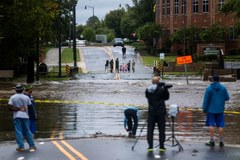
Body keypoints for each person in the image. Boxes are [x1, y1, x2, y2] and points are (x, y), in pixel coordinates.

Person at [8, 84, 37, 152]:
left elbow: (9, 107)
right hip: (25, 116)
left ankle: (21, 147)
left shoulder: (12, 97)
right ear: (23, 90)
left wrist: (17, 109)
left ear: (15, 90)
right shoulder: (26, 97)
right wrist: (33, 117)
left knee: (18, 131)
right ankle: (32, 146)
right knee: (27, 131)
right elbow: (30, 108)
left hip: (16, 116)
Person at [203, 75, 230, 147]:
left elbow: (206, 100)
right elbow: (227, 98)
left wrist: (204, 109)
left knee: (211, 124)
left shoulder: (209, 89)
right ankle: (221, 141)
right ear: (219, 80)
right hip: (220, 110)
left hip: (211, 110)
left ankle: (212, 141)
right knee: (220, 125)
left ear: (212, 80)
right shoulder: (223, 88)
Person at [145, 76, 170, 152]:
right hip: (160, 113)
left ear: (152, 82)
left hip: (151, 112)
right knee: (161, 130)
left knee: (150, 130)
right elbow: (166, 97)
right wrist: (165, 89)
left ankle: (150, 146)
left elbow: (147, 97)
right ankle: (162, 147)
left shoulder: (148, 90)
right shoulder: (162, 90)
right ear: (158, 82)